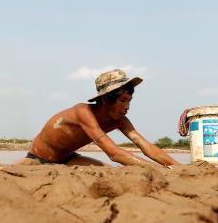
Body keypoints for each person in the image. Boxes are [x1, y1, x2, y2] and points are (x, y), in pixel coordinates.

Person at [21, 69, 180, 167]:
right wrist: (158, 170)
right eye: (122, 101)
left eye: (129, 100)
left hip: (68, 159)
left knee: (109, 172)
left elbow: (144, 145)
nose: (127, 106)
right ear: (105, 100)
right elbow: (114, 154)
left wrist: (176, 167)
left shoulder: (119, 119)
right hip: (38, 158)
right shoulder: (83, 112)